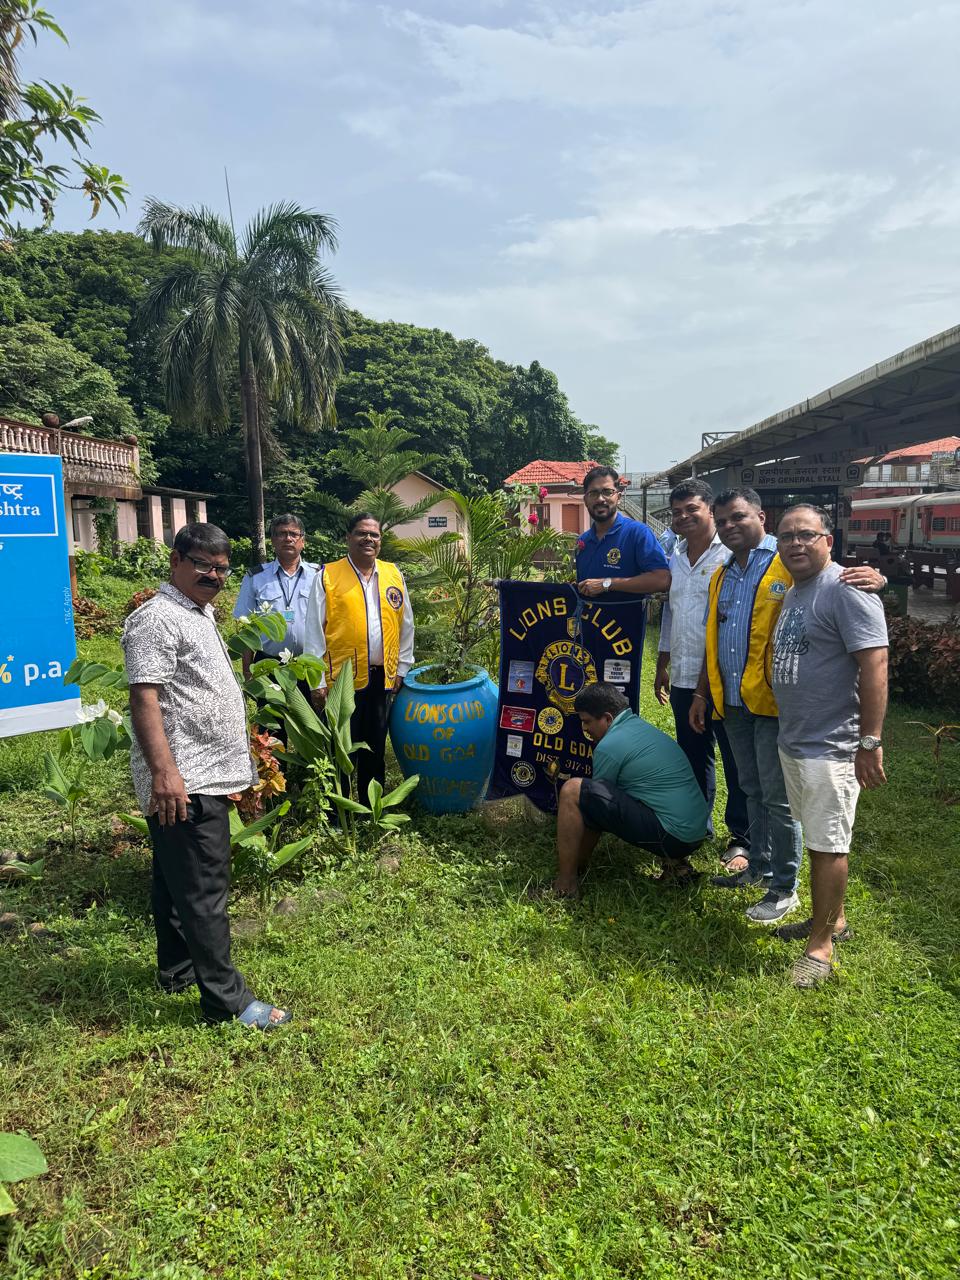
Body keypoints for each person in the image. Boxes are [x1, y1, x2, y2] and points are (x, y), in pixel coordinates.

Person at [689, 488, 884, 927]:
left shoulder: (786, 561)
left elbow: (837, 580)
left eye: (738, 517)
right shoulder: (723, 574)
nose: (730, 526)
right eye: (723, 520)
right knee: (751, 788)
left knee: (777, 798)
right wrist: (703, 693)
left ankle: (783, 885)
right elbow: (713, 637)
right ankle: (758, 866)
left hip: (774, 705)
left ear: (760, 518)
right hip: (733, 702)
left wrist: (878, 578)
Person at [122, 523, 290, 1030]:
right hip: (185, 777)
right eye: (202, 565)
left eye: (221, 569)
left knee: (176, 879)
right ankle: (227, 1002)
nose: (213, 576)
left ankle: (177, 970)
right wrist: (165, 773)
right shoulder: (157, 618)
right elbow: (144, 697)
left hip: (201, 772)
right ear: (176, 560)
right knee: (204, 888)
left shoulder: (196, 611)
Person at [770, 504, 888, 988]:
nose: (796, 543)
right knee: (817, 837)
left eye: (807, 534)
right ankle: (832, 920)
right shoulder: (797, 590)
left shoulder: (847, 589)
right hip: (797, 739)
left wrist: (869, 741)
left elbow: (875, 665)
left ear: (828, 540)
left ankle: (820, 949)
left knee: (828, 845)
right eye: (787, 536)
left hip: (832, 744)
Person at [654, 479, 750, 869]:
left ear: (709, 509)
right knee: (693, 755)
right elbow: (671, 612)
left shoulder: (732, 555)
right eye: (677, 512)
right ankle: (698, 824)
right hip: (683, 674)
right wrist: (662, 664)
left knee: (736, 758)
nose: (683, 517)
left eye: (691, 509)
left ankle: (742, 838)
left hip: (725, 678)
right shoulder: (675, 557)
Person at [543, 682, 709, 898]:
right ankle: (676, 866)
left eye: (587, 721)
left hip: (674, 836)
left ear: (607, 718)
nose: (584, 728)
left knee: (573, 790)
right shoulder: (640, 728)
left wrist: (578, 862)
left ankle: (565, 886)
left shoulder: (609, 746)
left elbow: (593, 811)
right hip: (695, 833)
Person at [303, 513, 414, 801]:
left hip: (381, 677)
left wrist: (402, 668)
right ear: (348, 537)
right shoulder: (327, 576)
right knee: (341, 746)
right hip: (341, 680)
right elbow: (313, 631)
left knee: (375, 745)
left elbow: (406, 625)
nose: (369, 539)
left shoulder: (393, 574)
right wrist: (316, 681)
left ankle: (370, 805)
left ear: (380, 540)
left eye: (374, 534)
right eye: (362, 533)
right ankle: (339, 809)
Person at [233, 513, 318, 679]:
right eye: (281, 534)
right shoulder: (256, 577)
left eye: (294, 534)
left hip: (309, 664)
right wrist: (247, 672)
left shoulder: (318, 576)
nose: (288, 539)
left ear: (303, 541)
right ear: (272, 540)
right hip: (268, 664)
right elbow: (246, 627)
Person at [575, 465, 670, 600]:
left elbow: (662, 579)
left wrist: (607, 584)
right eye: (593, 493)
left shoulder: (638, 533)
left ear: (618, 497)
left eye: (607, 492)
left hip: (626, 614)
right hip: (588, 614)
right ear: (585, 500)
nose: (600, 499)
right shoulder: (583, 541)